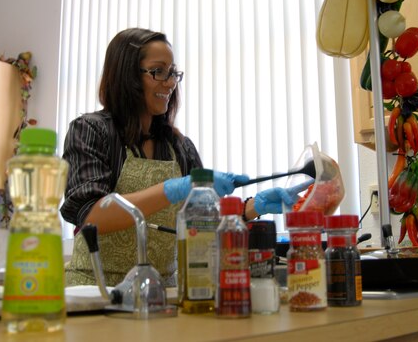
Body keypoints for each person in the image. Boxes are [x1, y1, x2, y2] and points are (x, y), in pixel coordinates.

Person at [61, 28, 308, 287]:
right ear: (127, 76)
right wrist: (172, 189)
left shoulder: (179, 146)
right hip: (95, 291)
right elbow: (91, 216)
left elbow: (201, 224)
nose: (169, 83)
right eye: (158, 72)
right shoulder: (91, 130)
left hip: (159, 291)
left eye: (173, 73)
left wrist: (252, 207)